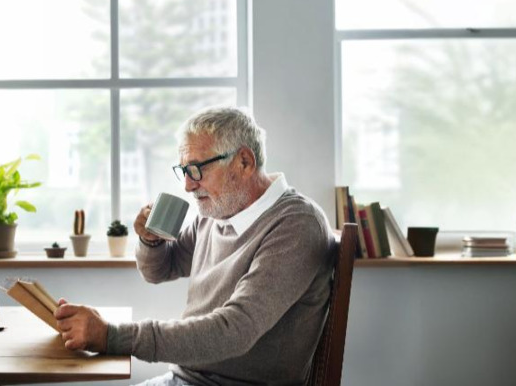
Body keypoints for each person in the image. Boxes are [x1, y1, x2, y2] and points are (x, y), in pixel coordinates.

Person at [54, 106, 335, 386]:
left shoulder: (297, 224)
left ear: (244, 162)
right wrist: (151, 240)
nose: (188, 186)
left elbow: (234, 331)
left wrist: (111, 336)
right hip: (188, 378)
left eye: (197, 169)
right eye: (184, 171)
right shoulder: (217, 212)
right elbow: (160, 270)